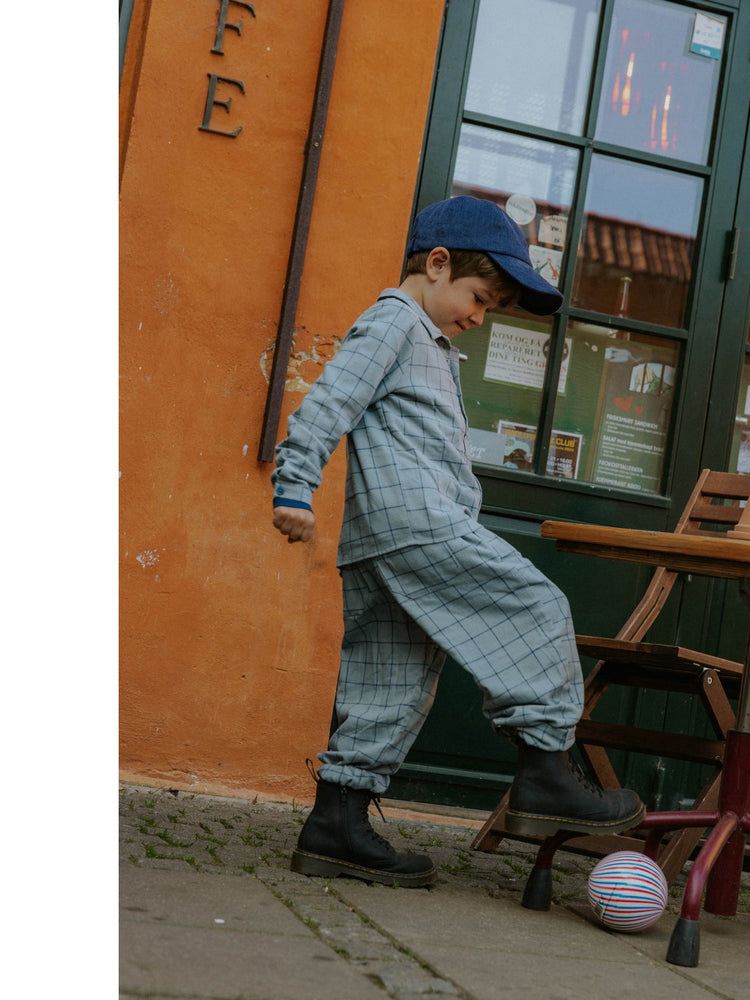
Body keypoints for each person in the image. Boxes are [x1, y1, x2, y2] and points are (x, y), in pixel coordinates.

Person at [271, 196, 644, 888]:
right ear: (437, 264)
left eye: (490, 308)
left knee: (391, 679)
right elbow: (328, 402)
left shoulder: (428, 340)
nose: (479, 316)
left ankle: (334, 826)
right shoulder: (395, 322)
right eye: (478, 298)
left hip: (381, 539)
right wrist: (295, 486)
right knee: (537, 606)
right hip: (418, 526)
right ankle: (544, 775)